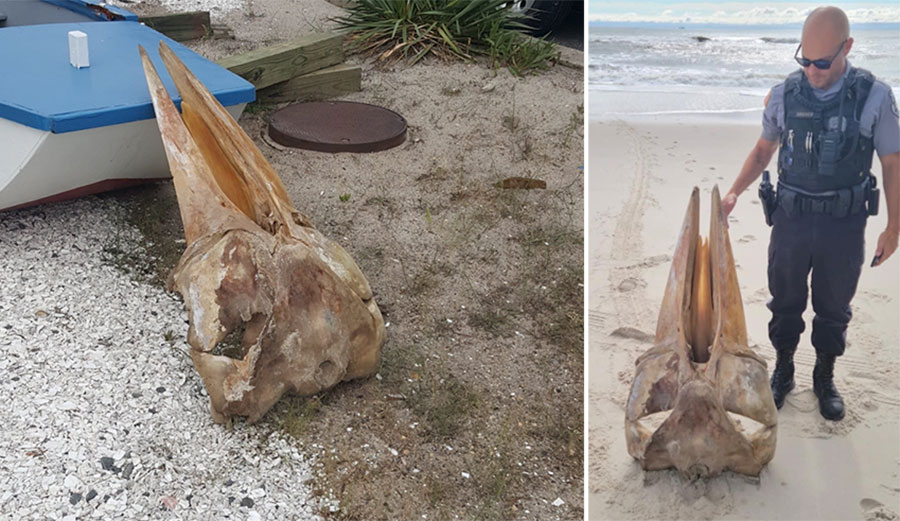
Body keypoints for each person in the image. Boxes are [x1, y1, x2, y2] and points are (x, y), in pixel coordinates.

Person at [721, 6, 899, 421]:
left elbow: (892, 162)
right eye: (806, 60)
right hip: (792, 218)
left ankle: (824, 375)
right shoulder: (784, 93)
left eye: (823, 62)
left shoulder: (875, 96)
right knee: (785, 299)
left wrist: (893, 225)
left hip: (844, 221)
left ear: (847, 48)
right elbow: (764, 150)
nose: (813, 71)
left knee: (834, 305)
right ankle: (784, 370)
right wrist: (733, 191)